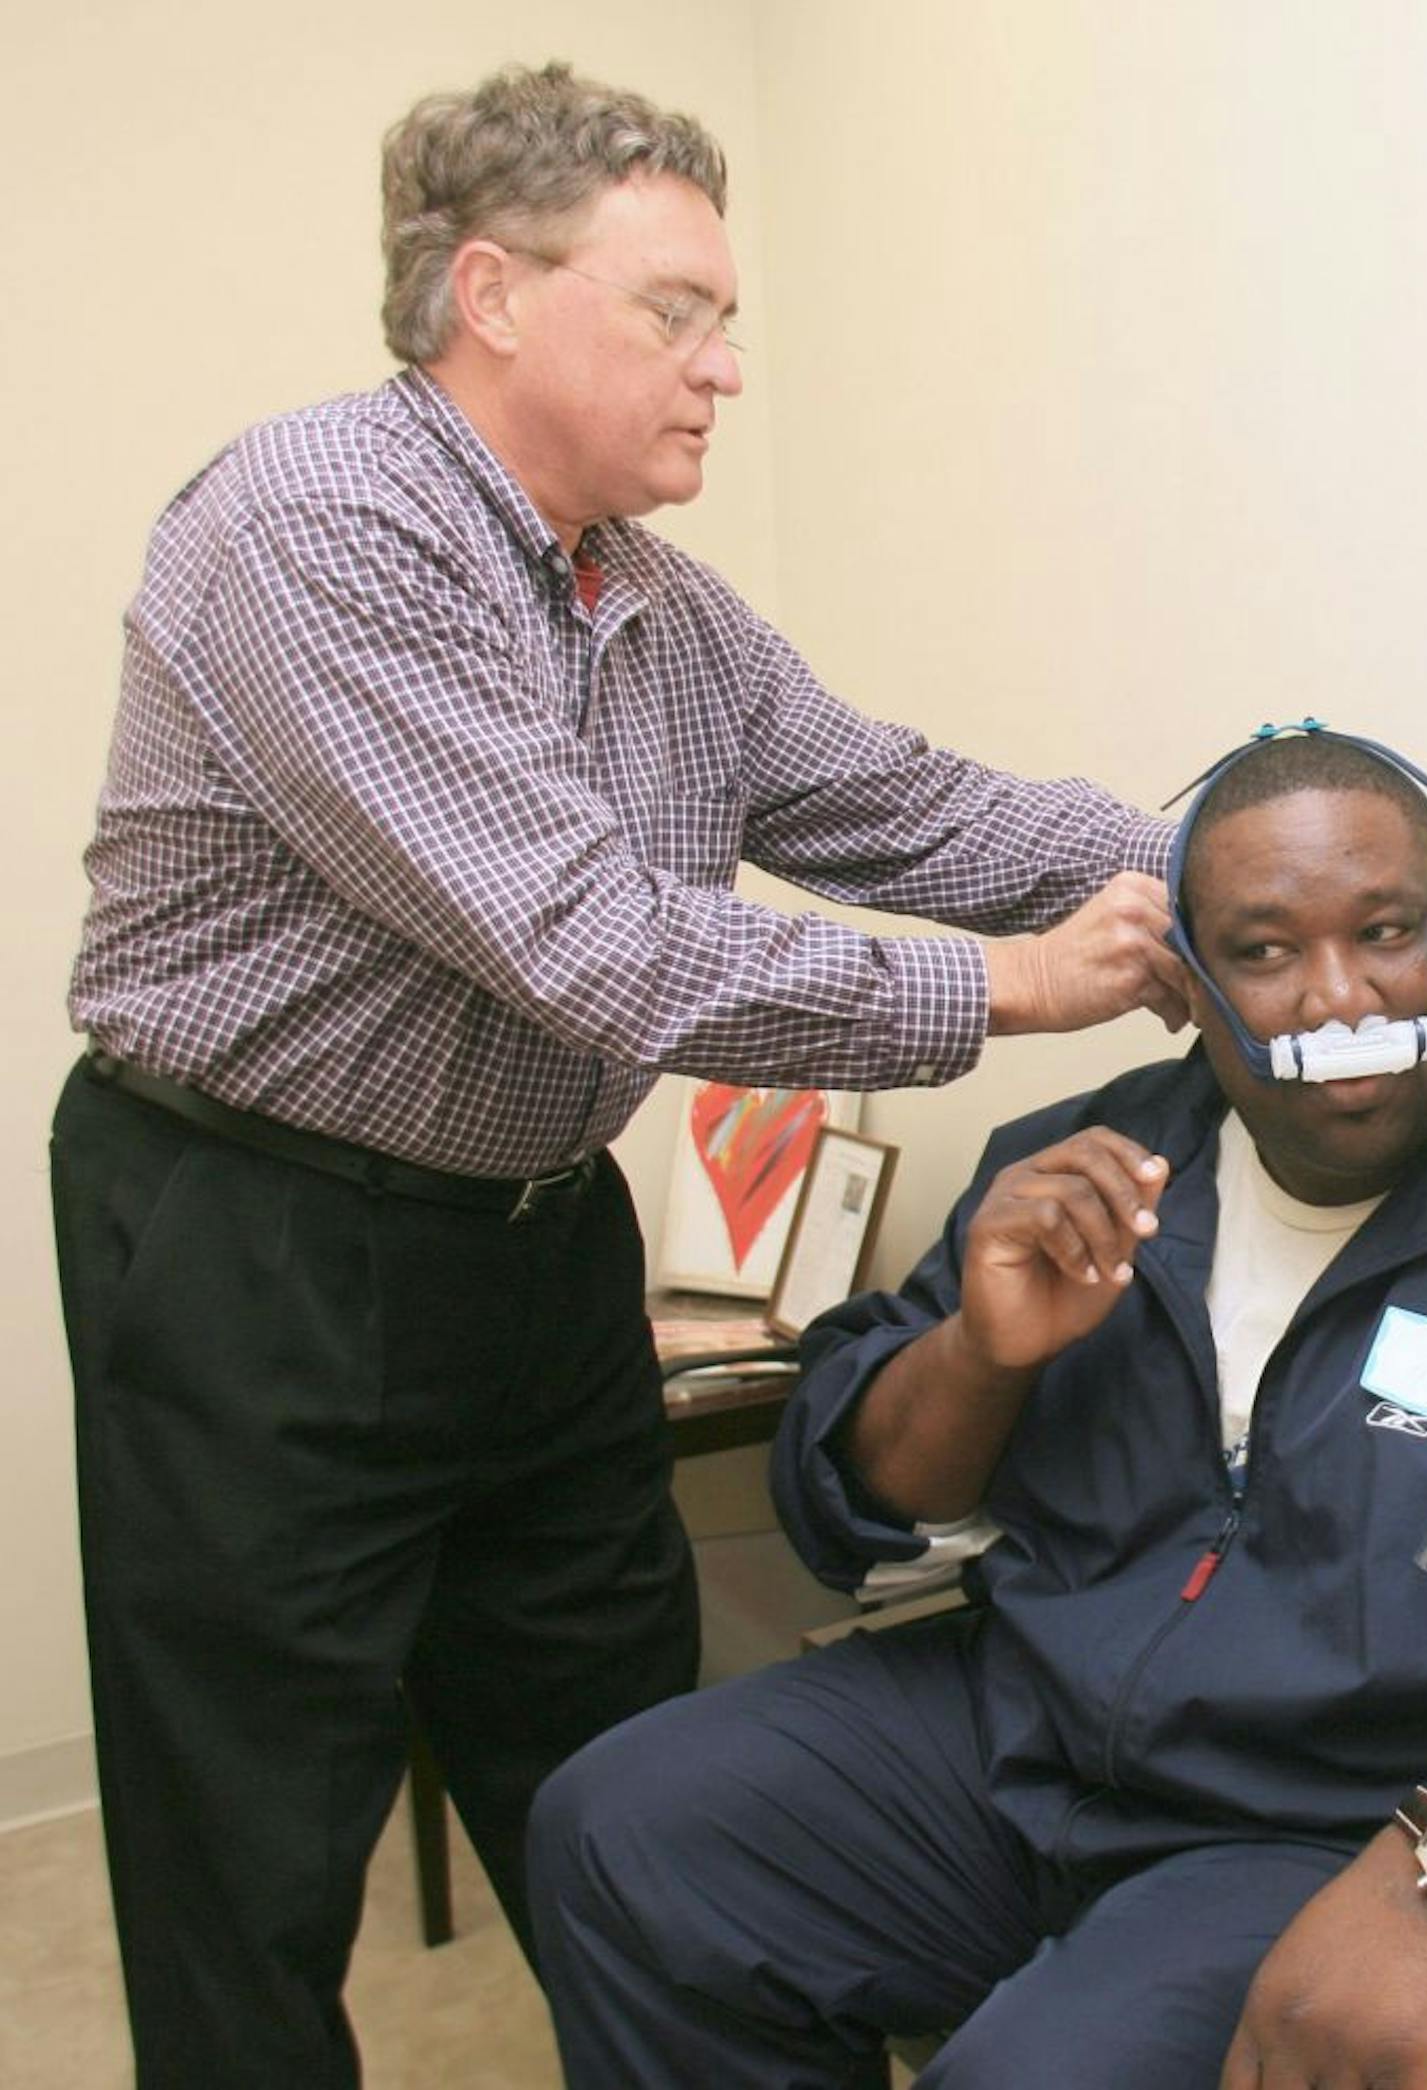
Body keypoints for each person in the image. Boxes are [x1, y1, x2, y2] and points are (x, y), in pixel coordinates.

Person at [49, 60, 1186, 2090]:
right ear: (489, 294)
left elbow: (901, 802)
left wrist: (1209, 859)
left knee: (632, 1791)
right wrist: (1012, 991)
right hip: (262, 1253)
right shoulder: (319, 528)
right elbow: (597, 946)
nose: (726, 368)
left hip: (533, 1250)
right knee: (252, 1855)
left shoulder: (653, 602)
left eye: (728, 319)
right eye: (676, 311)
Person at [526, 723, 1427, 2088]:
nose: (1341, 998)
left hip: (1339, 1813)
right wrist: (981, 1354)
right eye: (1265, 949)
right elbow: (845, 1502)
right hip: (1020, 1727)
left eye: (1388, 935)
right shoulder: (1087, 1160)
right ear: (1183, 970)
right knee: (627, 1828)